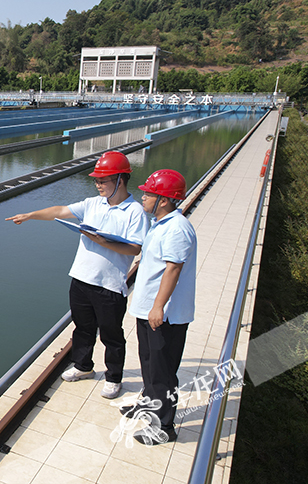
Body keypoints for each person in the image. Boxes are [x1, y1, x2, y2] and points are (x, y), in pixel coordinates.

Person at [6, 151, 148, 399]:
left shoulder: (134, 211)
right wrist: (31, 215)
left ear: (120, 180)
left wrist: (101, 241)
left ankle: (114, 378)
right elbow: (60, 210)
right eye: (97, 181)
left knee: (111, 334)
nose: (98, 185)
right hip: (82, 279)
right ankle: (83, 366)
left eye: (103, 181)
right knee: (82, 328)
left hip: (110, 286)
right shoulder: (93, 203)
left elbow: (136, 248)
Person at [123, 169, 197, 445]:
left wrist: (157, 306)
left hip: (164, 316)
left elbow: (173, 269)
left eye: (148, 194)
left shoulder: (177, 228)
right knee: (150, 365)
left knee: (162, 372)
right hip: (150, 312)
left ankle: (163, 426)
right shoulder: (161, 224)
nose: (143, 198)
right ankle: (149, 406)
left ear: (164, 200)